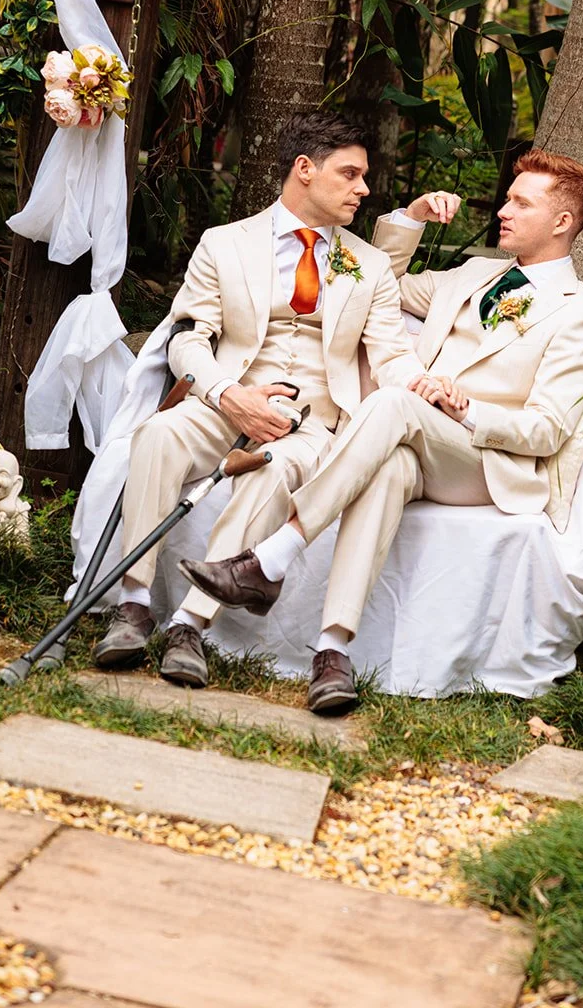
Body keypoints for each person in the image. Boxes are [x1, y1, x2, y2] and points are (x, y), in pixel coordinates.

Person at [180, 149, 583, 714]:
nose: (503, 209)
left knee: (392, 403)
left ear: (562, 222)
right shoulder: (475, 275)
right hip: (414, 445)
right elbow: (373, 278)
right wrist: (411, 216)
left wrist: (466, 411)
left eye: (520, 202)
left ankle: (272, 557)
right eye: (507, 197)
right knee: (389, 467)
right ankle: (333, 653)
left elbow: (548, 430)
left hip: (483, 462)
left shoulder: (581, 315)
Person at [93, 111, 422, 687]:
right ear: (304, 170)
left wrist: (423, 389)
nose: (363, 189)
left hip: (314, 423)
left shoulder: (369, 266)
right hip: (227, 398)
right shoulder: (224, 243)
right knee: (158, 434)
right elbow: (188, 338)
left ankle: (190, 626)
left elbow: (391, 357)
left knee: (274, 472)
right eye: (350, 174)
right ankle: (133, 605)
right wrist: (228, 395)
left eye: (362, 177)